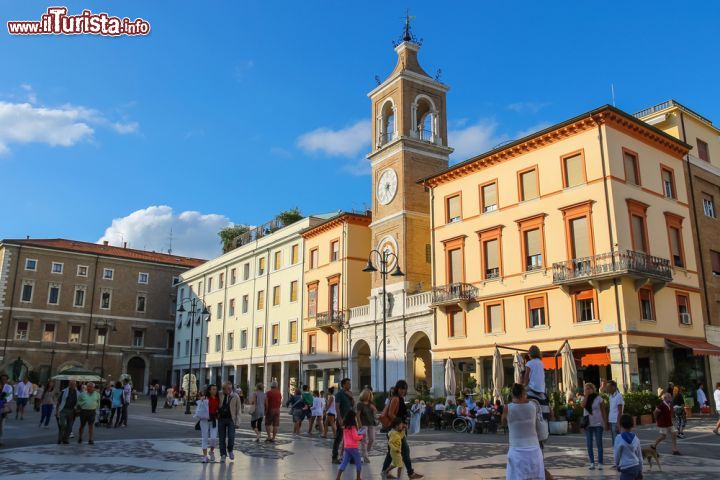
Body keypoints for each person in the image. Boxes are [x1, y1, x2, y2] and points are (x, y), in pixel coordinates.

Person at [501, 383, 545, 480]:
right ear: (524, 393)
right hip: (534, 448)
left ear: (512, 394)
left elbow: (503, 423)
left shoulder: (507, 408)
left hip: (516, 450)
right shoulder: (533, 405)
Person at [380, 380, 423, 479]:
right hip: (395, 430)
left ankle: (385, 472)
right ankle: (410, 473)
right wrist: (400, 424)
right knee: (405, 451)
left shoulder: (400, 398)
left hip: (398, 429)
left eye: (404, 389)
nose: (403, 391)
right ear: (397, 388)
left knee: (391, 453)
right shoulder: (396, 399)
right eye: (401, 388)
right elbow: (390, 414)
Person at [581, 382, 606, 470]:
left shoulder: (598, 398)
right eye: (585, 389)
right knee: (589, 444)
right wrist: (586, 396)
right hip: (588, 424)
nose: (587, 390)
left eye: (588, 388)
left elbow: (603, 410)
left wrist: (605, 423)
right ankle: (592, 463)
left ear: (592, 389)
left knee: (599, 443)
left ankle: (600, 463)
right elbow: (582, 405)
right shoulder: (584, 398)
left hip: (598, 423)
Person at [335, 411, 364, 480]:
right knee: (358, 462)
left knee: (344, 462)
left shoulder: (344, 427)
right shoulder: (353, 428)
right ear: (353, 418)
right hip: (353, 447)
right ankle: (358, 477)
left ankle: (338, 477)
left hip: (346, 447)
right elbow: (356, 437)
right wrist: (361, 435)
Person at [194, 384, 219, 463]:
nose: (215, 391)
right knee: (204, 438)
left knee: (213, 438)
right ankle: (205, 456)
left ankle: (211, 451)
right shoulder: (205, 398)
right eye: (213, 389)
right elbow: (199, 407)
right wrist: (201, 400)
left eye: (215, 389)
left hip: (214, 419)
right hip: (204, 420)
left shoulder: (218, 398)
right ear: (209, 390)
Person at [332, 378, 354, 465]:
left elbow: (352, 405)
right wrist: (340, 419)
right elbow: (337, 407)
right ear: (343, 385)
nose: (350, 385)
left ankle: (350, 458)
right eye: (348, 384)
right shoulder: (339, 394)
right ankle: (334, 457)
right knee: (339, 438)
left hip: (350, 420)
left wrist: (351, 397)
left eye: (350, 383)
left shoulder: (350, 393)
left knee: (350, 439)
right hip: (342, 419)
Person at [614, 413, 643, 480]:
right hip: (636, 466)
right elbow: (640, 456)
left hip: (626, 468)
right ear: (632, 425)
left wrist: (617, 465)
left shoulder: (618, 438)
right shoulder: (636, 438)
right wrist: (640, 471)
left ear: (620, 425)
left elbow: (617, 454)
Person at [217, 382, 241, 462]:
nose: (226, 390)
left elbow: (238, 410)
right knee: (221, 438)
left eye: (228, 389)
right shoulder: (219, 394)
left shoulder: (235, 396)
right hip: (221, 419)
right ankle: (223, 454)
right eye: (224, 388)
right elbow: (211, 397)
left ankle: (230, 450)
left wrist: (237, 422)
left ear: (231, 389)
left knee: (231, 437)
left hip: (231, 419)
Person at [356, 388, 378, 463]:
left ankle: (365, 453)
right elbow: (357, 415)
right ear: (364, 395)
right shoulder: (360, 404)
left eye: (370, 395)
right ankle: (365, 456)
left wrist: (374, 410)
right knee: (364, 441)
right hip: (363, 424)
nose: (369, 396)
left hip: (371, 423)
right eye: (368, 395)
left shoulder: (371, 404)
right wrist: (359, 425)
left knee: (372, 439)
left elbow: (375, 413)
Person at [56, 380, 79, 445]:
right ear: (69, 384)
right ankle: (60, 438)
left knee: (70, 426)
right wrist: (57, 411)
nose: (72, 385)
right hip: (63, 410)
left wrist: (77, 410)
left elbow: (79, 403)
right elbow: (58, 402)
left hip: (72, 411)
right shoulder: (64, 391)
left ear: (75, 385)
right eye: (71, 384)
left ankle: (66, 439)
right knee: (63, 424)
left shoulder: (77, 393)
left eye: (74, 384)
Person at [605, 380, 625, 451]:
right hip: (611, 420)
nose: (606, 389)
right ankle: (616, 457)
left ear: (613, 387)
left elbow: (620, 411)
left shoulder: (618, 396)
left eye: (608, 387)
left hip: (616, 421)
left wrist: (618, 423)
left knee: (617, 441)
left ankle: (619, 458)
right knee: (614, 441)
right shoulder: (610, 396)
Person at [0, 374, 13, 447]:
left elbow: (9, 396)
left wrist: (4, 400)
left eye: (5, 379)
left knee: (2, 424)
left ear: (7, 380)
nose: (3, 380)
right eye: (2, 379)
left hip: (4, 407)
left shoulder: (9, 387)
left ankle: (1, 440)